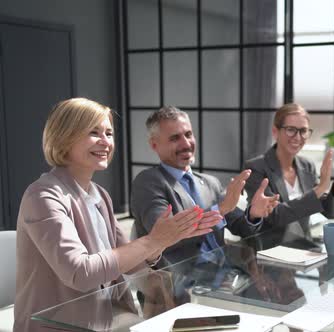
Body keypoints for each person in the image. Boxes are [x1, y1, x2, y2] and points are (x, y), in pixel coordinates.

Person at [14, 98, 221, 332]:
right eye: (94, 132)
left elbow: (130, 261)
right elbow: (80, 273)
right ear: (64, 136)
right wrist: (152, 240)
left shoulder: (99, 195)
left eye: (109, 133)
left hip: (107, 320)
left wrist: (161, 243)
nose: (105, 142)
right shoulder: (43, 196)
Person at [131, 106, 279, 267]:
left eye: (188, 134)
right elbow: (163, 237)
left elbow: (242, 228)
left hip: (223, 274)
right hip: (176, 284)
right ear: (154, 145)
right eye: (175, 138)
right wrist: (220, 210)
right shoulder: (148, 182)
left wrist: (253, 214)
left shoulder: (210, 182)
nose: (186, 144)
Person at [244, 103, 334, 241]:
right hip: (270, 251)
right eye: (290, 129)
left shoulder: (307, 166)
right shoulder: (255, 168)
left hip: (304, 249)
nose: (298, 137)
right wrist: (319, 189)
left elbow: (331, 212)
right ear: (275, 132)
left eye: (303, 131)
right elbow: (275, 216)